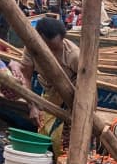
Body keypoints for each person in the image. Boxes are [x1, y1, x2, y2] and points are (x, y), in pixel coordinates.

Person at [19, 17, 79, 155]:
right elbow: (26, 77)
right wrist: (32, 105)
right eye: (49, 47)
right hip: (47, 95)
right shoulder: (31, 48)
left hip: (69, 99)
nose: (52, 52)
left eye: (56, 48)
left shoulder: (73, 55)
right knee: (43, 134)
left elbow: (88, 88)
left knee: (61, 141)